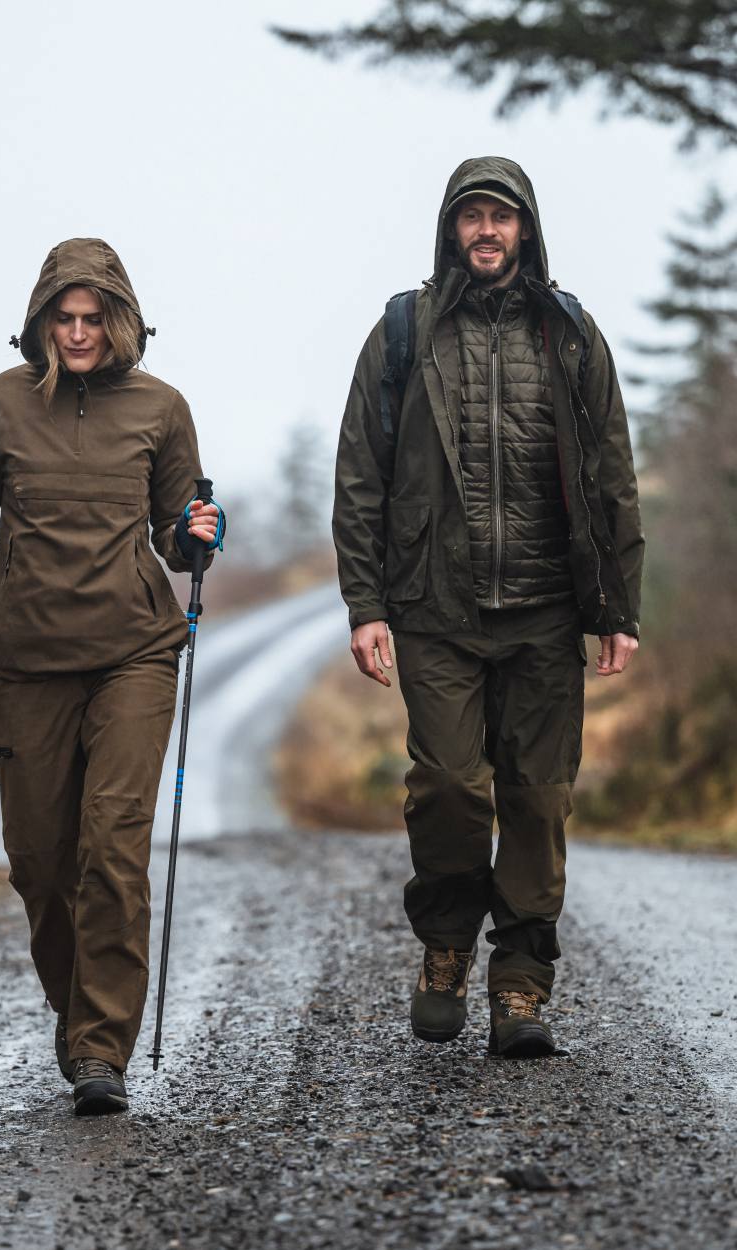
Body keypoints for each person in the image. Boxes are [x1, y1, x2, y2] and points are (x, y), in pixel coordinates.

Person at [332, 157, 642, 1057]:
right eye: (471, 216)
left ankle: (520, 987)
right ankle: (444, 947)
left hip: (548, 612)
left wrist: (617, 605)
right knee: (450, 792)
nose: (486, 231)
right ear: (450, 229)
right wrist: (366, 602)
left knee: (540, 801)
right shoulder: (402, 333)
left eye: (500, 217)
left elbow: (612, 474)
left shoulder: (571, 335)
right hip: (437, 610)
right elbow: (362, 477)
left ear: (526, 228)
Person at [0, 238, 222, 1113]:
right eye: (66, 316)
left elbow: (177, 529)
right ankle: (74, 1009)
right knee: (41, 863)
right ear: (41, 319)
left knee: (113, 850)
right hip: (26, 658)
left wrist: (197, 535)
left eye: (96, 318)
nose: (81, 332)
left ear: (121, 320)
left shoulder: (161, 407)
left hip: (135, 653)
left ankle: (102, 1050)